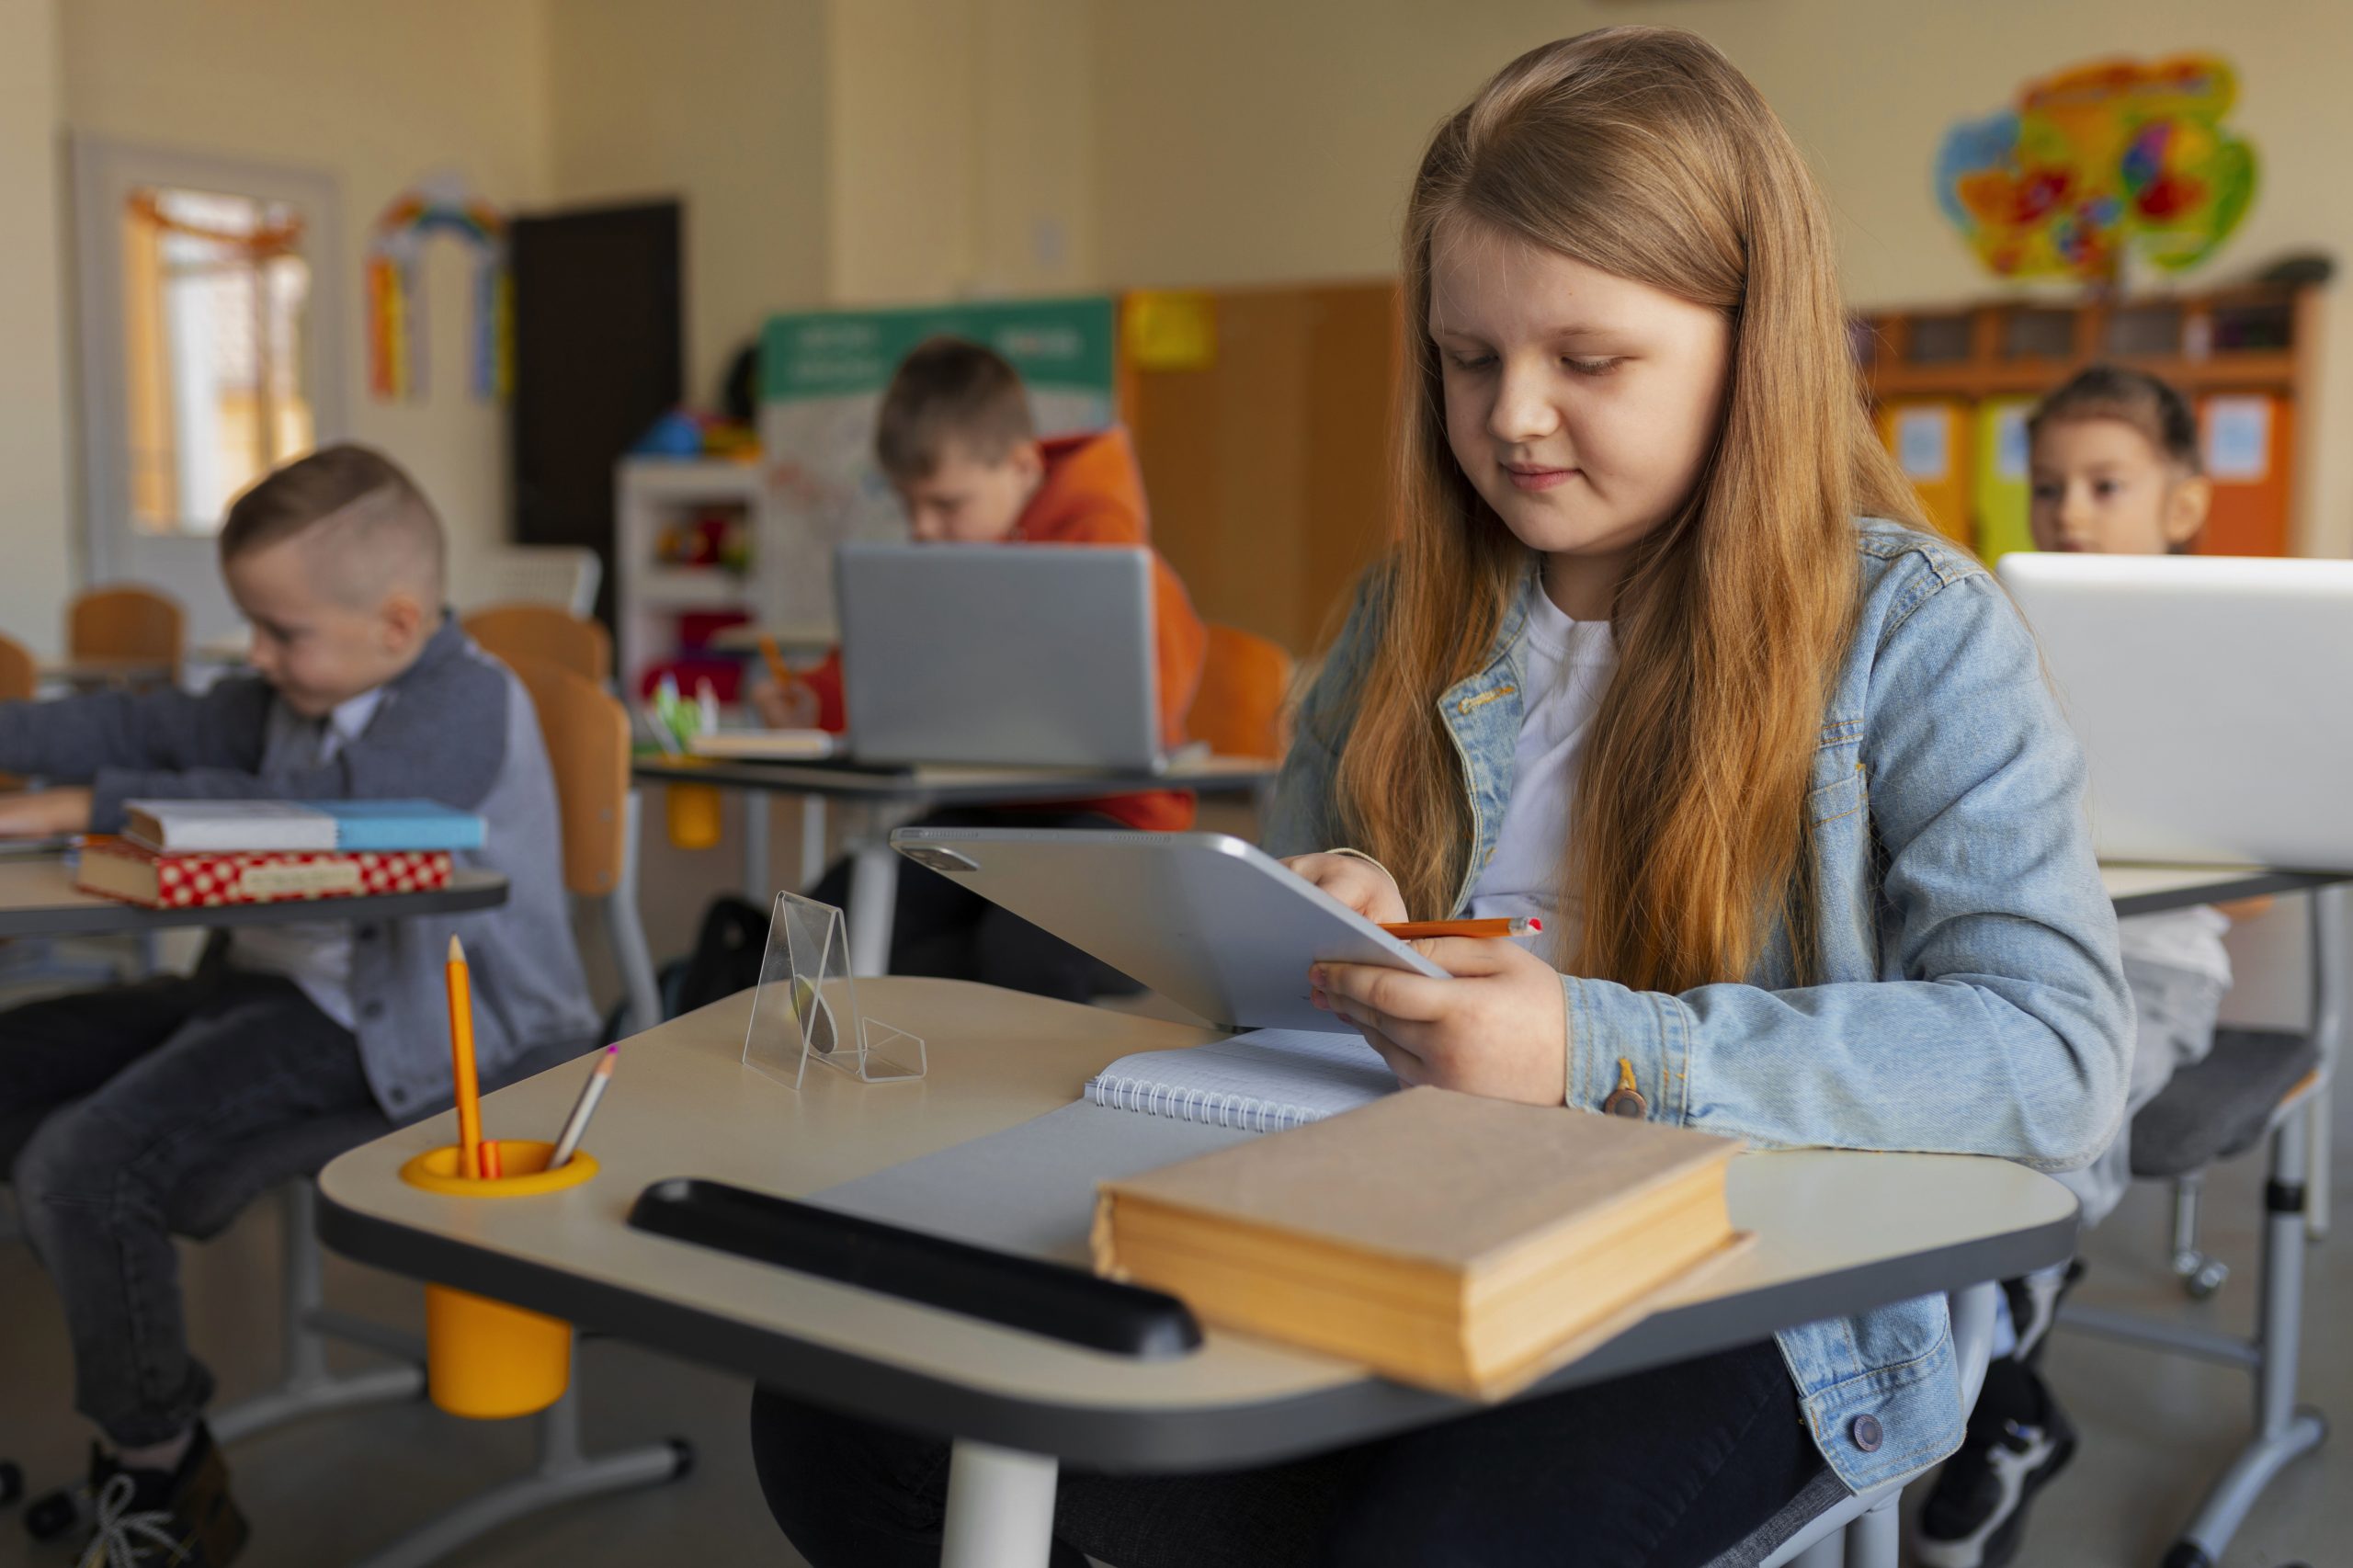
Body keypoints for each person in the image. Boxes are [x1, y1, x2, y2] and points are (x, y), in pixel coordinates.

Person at [746, 28, 2131, 1568]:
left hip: (1732, 1288)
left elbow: (2057, 1052)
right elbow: (1261, 980)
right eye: (1469, 359)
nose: (1514, 416)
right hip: (1386, 1219)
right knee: (847, 1413)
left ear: (1755, 345)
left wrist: (1590, 1048)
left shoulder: (1915, 630)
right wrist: (1319, 925)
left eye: (1586, 362)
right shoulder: (1401, 617)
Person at [0, 445, 598, 1567]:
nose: (259, 656)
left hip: (400, 1028)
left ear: (397, 620)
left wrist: (86, 806)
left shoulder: (464, 700)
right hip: (260, 991)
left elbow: (324, 808)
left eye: (281, 631)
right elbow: (138, 726)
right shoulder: (295, 688)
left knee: (83, 1165)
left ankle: (160, 1468)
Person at [1915, 364, 2248, 1568]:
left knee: (2064, 1098)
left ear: (2182, 503)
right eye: (2049, 486)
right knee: (1925, 1090)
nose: (2069, 511)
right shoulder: (1988, 628)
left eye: (2106, 485)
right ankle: (1999, 1383)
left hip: (2149, 961)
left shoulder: (2230, 649)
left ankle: (1998, 1364)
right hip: (1988, 945)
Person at [756, 336, 1210, 999]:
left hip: (1112, 821)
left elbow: (1157, 698)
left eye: (946, 505)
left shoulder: (1105, 545)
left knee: (1015, 954)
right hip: (988, 809)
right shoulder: (944, 559)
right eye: (909, 505)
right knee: (821, 925)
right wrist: (814, 703)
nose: (923, 528)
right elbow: (880, 668)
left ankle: (962, 1019)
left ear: (1023, 466)